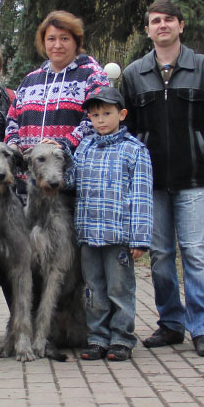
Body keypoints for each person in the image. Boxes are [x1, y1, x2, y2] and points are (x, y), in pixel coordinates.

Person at [121, 0, 204, 357]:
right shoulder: (133, 73)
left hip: (193, 181)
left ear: (181, 26)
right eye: (155, 21)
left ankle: (202, 329)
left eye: (169, 19)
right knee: (161, 256)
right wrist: (141, 157)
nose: (162, 25)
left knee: (197, 255)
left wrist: (200, 150)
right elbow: (127, 126)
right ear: (147, 30)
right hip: (151, 184)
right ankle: (171, 324)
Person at [65, 86, 153, 362]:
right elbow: (72, 182)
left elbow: (141, 196)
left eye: (106, 113)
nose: (100, 120)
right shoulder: (85, 148)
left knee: (119, 288)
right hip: (89, 235)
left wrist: (139, 238)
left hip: (118, 237)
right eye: (94, 115)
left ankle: (121, 338)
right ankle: (97, 337)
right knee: (93, 289)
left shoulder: (135, 151)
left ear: (122, 114)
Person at [5, 10, 109, 156]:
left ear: (76, 41)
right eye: (51, 39)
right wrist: (13, 145)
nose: (57, 45)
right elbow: (12, 120)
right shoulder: (30, 80)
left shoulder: (93, 76)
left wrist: (64, 145)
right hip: (29, 173)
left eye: (65, 39)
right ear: (43, 42)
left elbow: (97, 120)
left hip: (71, 170)